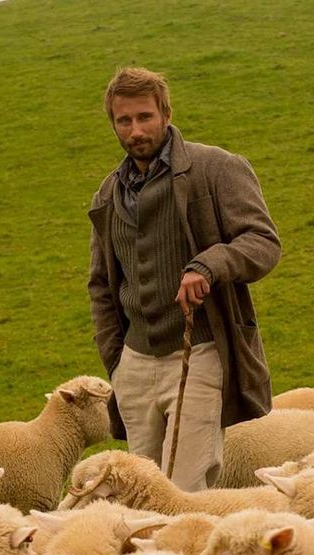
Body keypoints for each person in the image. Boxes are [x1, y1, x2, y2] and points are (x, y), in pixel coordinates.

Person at [88, 67, 281, 492]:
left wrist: (209, 264)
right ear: (114, 124)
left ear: (166, 113)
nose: (136, 130)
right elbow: (101, 284)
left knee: (183, 492)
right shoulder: (107, 194)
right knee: (137, 495)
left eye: (145, 117)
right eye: (125, 120)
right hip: (134, 366)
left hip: (198, 354)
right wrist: (116, 361)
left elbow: (263, 243)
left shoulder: (215, 168)